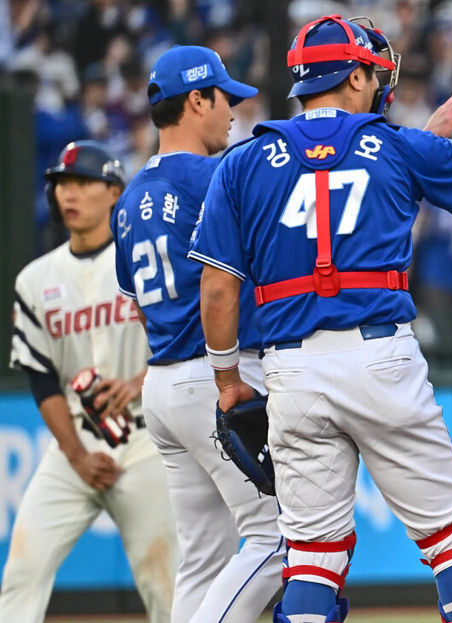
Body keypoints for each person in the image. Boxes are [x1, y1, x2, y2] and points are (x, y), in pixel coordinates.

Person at [188, 15, 452, 623]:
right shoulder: (393, 145)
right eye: (374, 73)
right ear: (355, 76)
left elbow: (217, 291)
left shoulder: (244, 160)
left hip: (292, 369)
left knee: (312, 560)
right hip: (381, 357)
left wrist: (229, 378)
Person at [110, 46, 285, 623]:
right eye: (224, 98)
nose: (232, 111)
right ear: (196, 99)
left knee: (204, 561)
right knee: (279, 542)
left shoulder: (131, 197)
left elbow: (136, 302)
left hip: (162, 381)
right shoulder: (217, 174)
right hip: (216, 374)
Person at [4, 141, 178, 622]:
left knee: (166, 583)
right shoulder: (36, 279)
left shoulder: (146, 263)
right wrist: (77, 456)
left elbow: (185, 343)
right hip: (74, 444)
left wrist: (141, 381)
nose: (68, 194)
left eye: (82, 182)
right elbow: (41, 379)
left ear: (115, 193)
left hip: (147, 438)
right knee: (21, 572)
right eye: (60, 184)